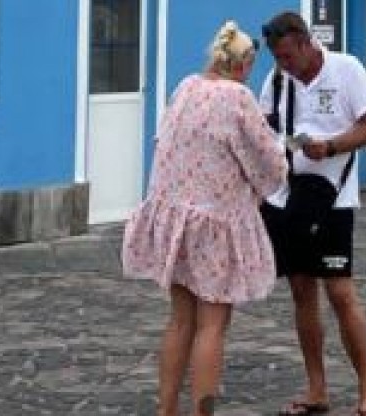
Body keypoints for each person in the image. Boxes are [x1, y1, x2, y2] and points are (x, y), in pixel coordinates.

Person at [122, 21, 287, 416]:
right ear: (244, 64)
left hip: (175, 218)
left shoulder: (186, 88)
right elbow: (267, 161)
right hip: (214, 224)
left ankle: (166, 410)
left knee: (180, 321)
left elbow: (166, 141)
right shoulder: (238, 98)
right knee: (212, 324)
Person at [259, 10, 366, 416]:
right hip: (288, 199)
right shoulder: (277, 81)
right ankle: (317, 390)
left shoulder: (347, 70)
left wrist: (330, 147)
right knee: (300, 291)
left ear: (306, 43)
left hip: (334, 200)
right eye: (277, 58)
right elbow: (263, 131)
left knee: (340, 292)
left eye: (287, 56)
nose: (283, 65)